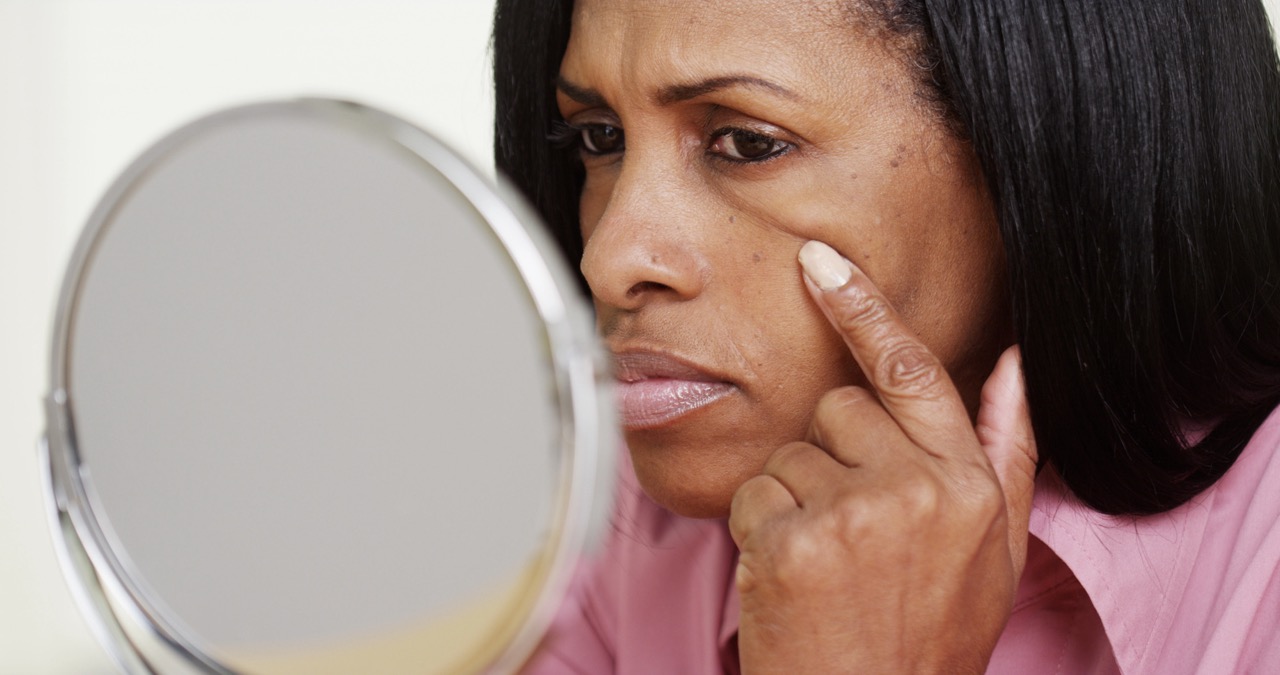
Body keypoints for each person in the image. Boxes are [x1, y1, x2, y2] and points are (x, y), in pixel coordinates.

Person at [492, 0, 1280, 671]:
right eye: (600, 138)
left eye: (748, 141)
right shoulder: (599, 516)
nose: (609, 258)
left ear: (1048, 140)